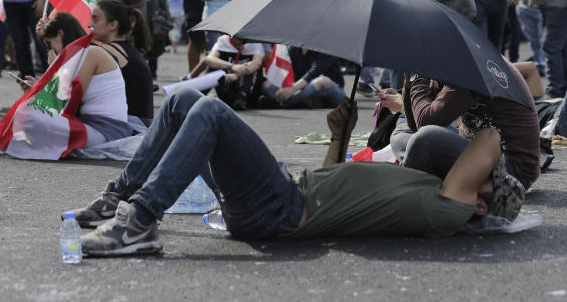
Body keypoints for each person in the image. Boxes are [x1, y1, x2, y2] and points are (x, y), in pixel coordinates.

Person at [71, 92, 513, 255]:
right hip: (289, 196)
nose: (468, 167)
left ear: (479, 204)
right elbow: (332, 185)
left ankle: (139, 223)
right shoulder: (427, 189)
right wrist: (340, 136)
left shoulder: (448, 209)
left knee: (209, 111)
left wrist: (502, 173)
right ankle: (118, 196)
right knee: (181, 102)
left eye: (482, 178)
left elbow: (489, 139)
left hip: (280, 208)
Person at [400, 0, 541, 190]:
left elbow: (426, 125)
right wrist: (409, 79)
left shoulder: (470, 61)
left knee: (424, 140)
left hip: (513, 170)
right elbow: (415, 123)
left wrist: (416, 75)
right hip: (484, 154)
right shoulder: (462, 53)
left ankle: (411, 188)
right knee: (404, 132)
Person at [24, 12, 131, 150]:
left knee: (33, 121)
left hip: (106, 131)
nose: (50, 50)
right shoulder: (80, 55)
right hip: (91, 125)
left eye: (49, 44)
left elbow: (70, 98)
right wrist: (38, 89)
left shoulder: (90, 53)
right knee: (30, 117)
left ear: (61, 34)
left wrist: (55, 69)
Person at [90, 0, 154, 121]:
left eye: (95, 19)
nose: (90, 24)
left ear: (113, 25)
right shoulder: (124, 49)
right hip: (143, 127)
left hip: (130, 130)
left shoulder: (106, 51)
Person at [260, 47, 346, 109]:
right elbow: (283, 71)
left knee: (321, 81)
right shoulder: (293, 49)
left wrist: (292, 89)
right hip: (302, 89)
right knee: (267, 85)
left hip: (332, 91)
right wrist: (281, 88)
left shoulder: (327, 49)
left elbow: (313, 73)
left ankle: (283, 103)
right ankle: (301, 101)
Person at [203, 34, 264, 110]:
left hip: (247, 91)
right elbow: (209, 59)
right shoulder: (223, 40)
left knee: (251, 66)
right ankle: (201, 94)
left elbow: (257, 63)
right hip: (227, 85)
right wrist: (232, 66)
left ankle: (242, 96)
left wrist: (237, 74)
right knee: (214, 65)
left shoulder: (254, 42)